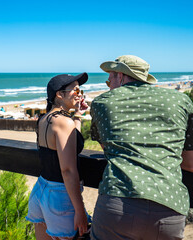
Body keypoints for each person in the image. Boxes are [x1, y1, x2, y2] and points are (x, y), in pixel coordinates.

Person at [90, 55, 193, 240]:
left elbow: (107, 146)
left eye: (109, 79)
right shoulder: (181, 101)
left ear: (120, 76)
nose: (109, 85)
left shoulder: (102, 103)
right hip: (170, 205)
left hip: (118, 202)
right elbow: (189, 162)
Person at [26, 73, 91, 239]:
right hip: (60, 197)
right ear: (59, 94)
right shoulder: (63, 122)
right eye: (75, 91)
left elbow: (71, 140)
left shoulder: (44, 119)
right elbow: (68, 170)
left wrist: (77, 113)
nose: (80, 95)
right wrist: (79, 209)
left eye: (80, 91)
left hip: (41, 189)